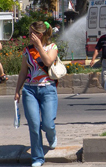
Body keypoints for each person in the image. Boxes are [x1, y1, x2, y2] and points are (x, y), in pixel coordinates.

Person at [14, 21, 58, 167]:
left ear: (40, 34)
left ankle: (52, 136)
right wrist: (17, 91)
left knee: (48, 124)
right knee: (33, 125)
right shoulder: (27, 50)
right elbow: (22, 72)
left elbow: (48, 61)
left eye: (32, 32)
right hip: (29, 90)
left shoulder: (52, 47)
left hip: (48, 90)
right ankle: (37, 158)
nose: (29, 35)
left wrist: (39, 46)